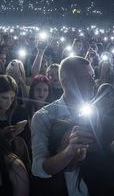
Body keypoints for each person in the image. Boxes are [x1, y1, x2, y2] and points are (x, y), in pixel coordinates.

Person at [31, 56, 96, 196]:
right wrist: (69, 151)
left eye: (93, 76)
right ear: (66, 83)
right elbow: (38, 169)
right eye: (85, 78)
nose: (92, 82)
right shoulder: (44, 117)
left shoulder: (94, 111)